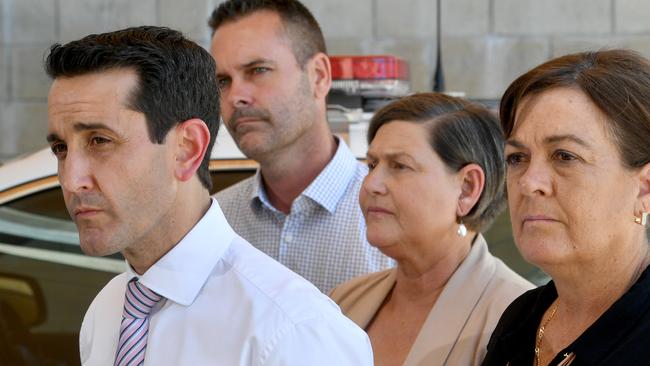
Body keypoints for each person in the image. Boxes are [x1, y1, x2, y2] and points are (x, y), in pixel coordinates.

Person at [45, 26, 373, 365]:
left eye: (100, 141)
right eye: (60, 148)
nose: (71, 180)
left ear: (187, 149)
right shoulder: (108, 311)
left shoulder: (294, 334)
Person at [329, 93, 533, 366]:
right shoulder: (345, 299)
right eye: (372, 165)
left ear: (467, 188)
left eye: (400, 166)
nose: (370, 185)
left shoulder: (520, 318)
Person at [208, 0, 392, 292]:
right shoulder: (211, 225)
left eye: (258, 70)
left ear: (318, 76)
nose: (235, 96)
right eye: (222, 81)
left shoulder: (393, 217)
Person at [482, 49, 650, 366]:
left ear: (644, 188)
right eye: (517, 158)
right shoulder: (521, 318)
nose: (528, 183)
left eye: (564, 156)